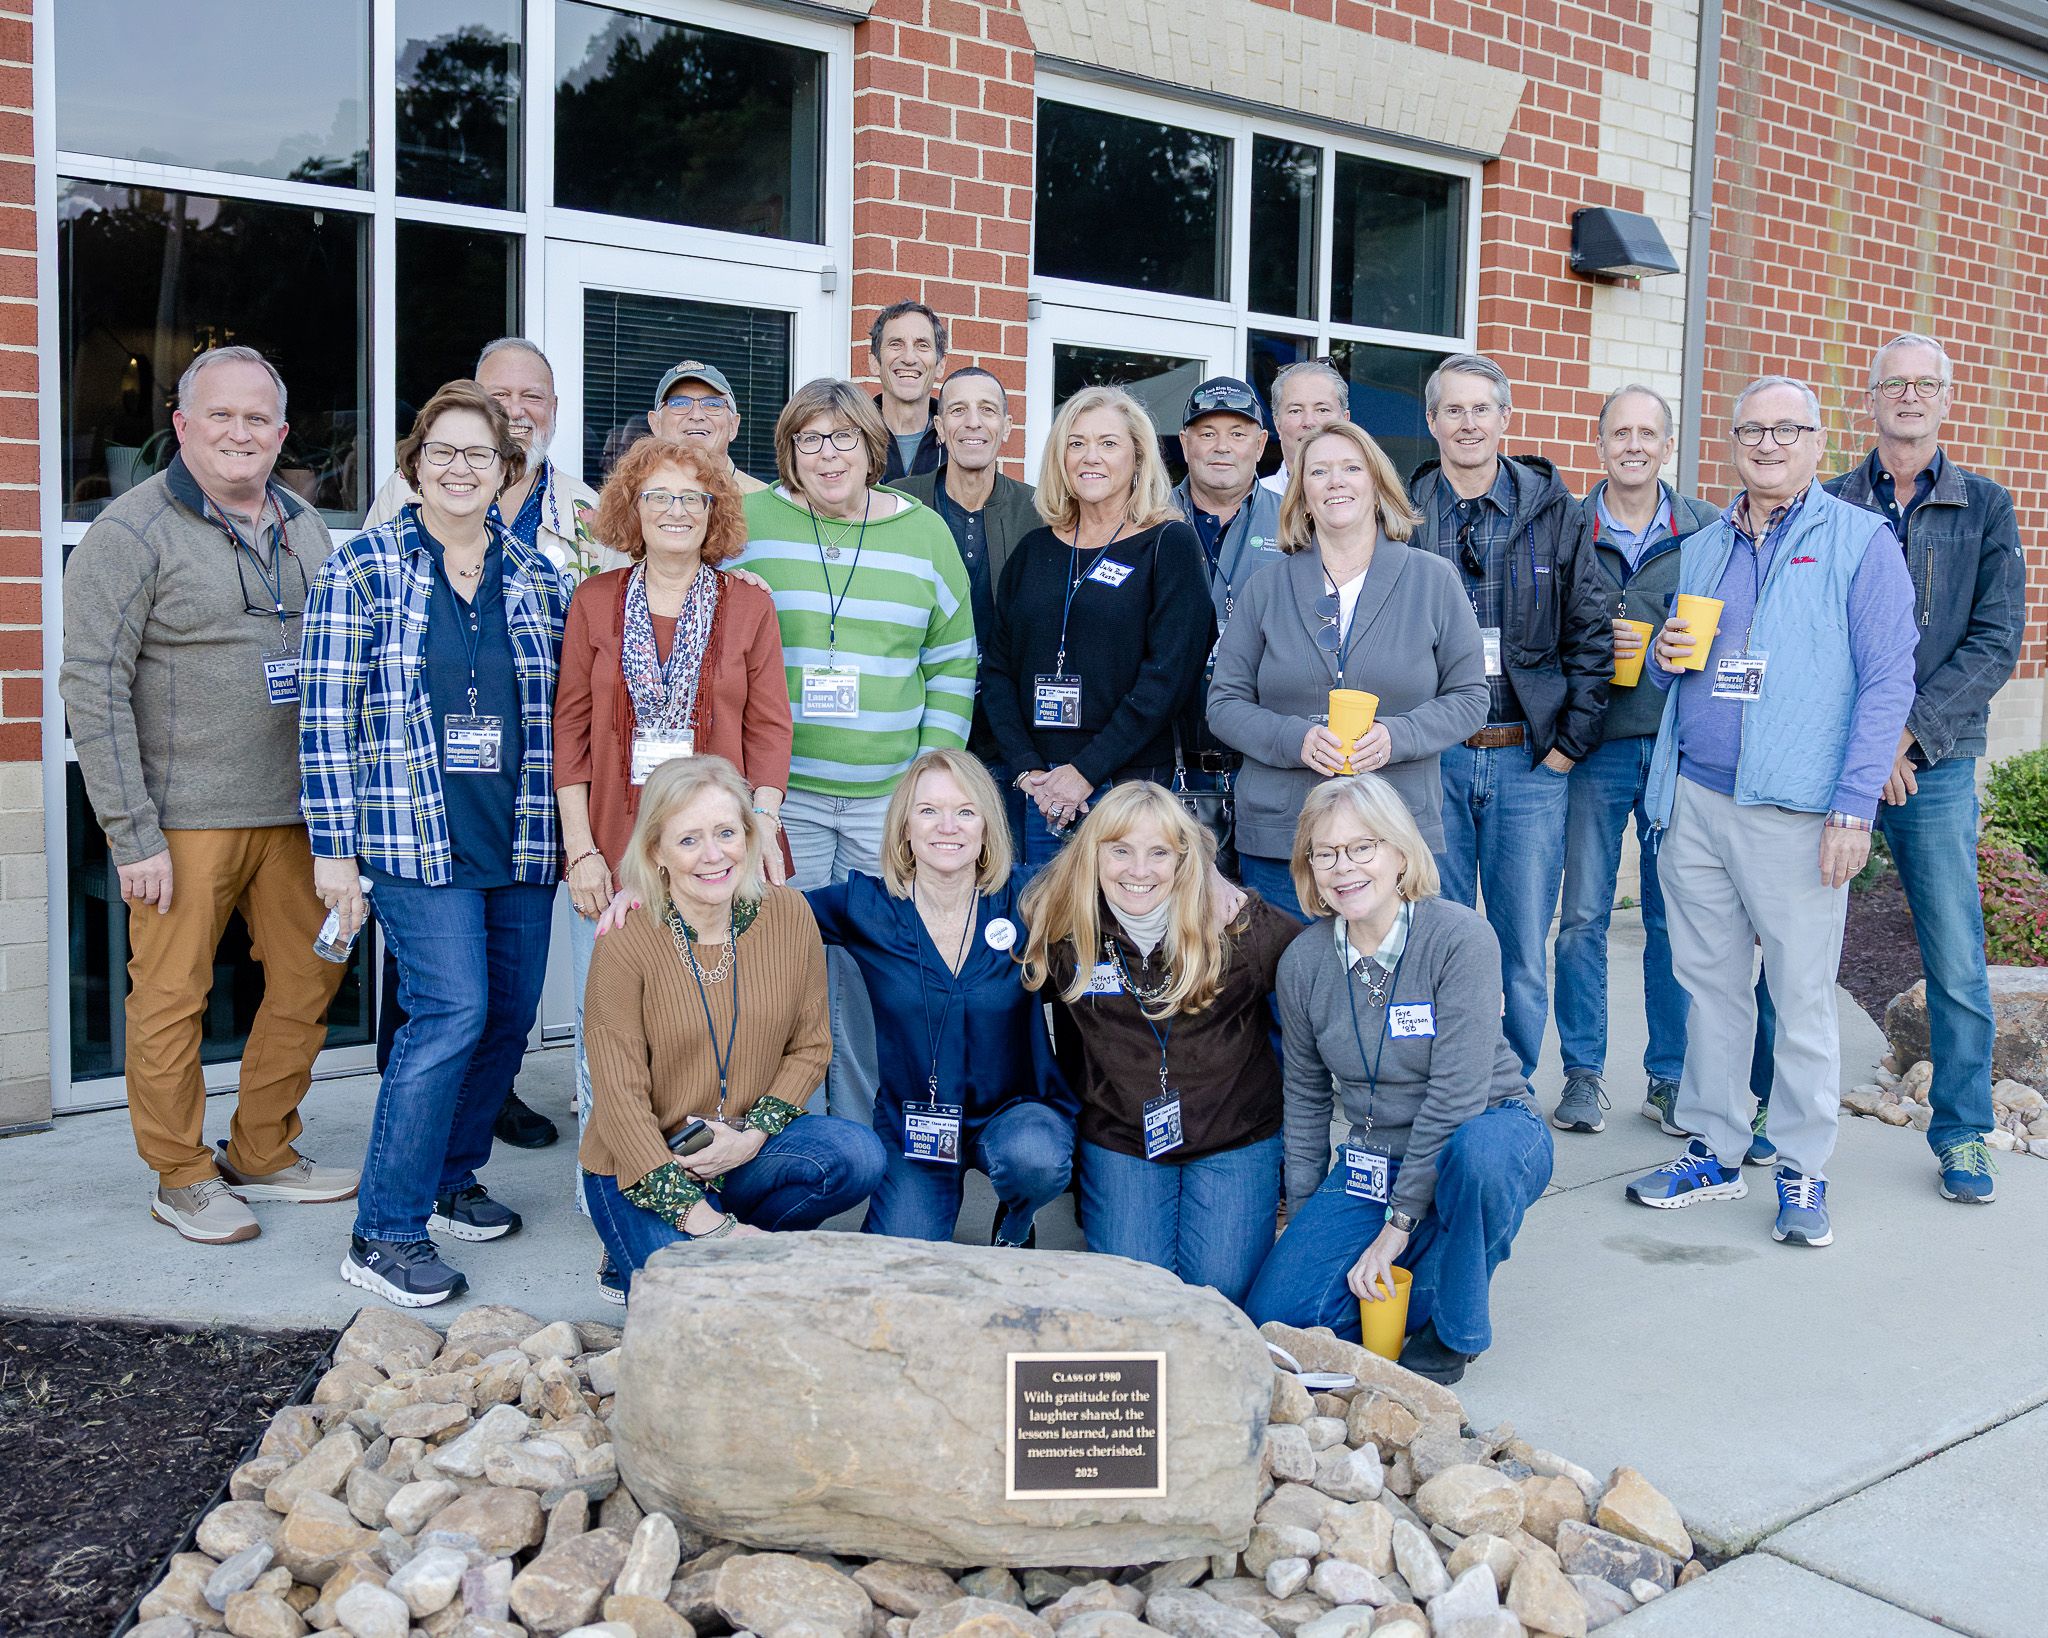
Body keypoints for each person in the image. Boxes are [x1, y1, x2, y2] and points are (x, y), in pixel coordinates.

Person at [59, 345, 358, 1245]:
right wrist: (130, 832)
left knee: (313, 973)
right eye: (219, 416)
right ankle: (181, 1174)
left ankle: (261, 1149)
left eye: (257, 418)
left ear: (280, 430)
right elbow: (92, 686)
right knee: (171, 1000)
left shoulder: (305, 523)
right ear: (182, 426)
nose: (241, 433)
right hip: (182, 821)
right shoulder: (131, 532)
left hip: (301, 812)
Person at [1625, 375, 1917, 1250]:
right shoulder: (1708, 542)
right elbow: (1687, 657)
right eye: (1752, 430)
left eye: (1787, 430)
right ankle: (1714, 1147)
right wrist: (1673, 654)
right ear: (1733, 444)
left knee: (1799, 998)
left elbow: (1886, 683)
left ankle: (1801, 1167)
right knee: (1710, 989)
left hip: (1796, 813)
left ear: (1817, 443)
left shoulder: (1861, 541)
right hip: (1700, 798)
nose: (1768, 444)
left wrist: (1853, 809)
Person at [301, 380, 573, 1306]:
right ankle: (383, 1230)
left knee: (506, 1017)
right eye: (443, 452)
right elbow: (327, 714)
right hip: (412, 841)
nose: (462, 470)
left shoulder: (540, 578)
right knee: (448, 1014)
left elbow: (566, 721)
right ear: (415, 466)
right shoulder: (365, 567)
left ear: (509, 473)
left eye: (481, 455)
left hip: (523, 838)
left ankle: (454, 1176)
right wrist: (334, 851)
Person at [1749, 336, 2024, 1205]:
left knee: (1954, 951)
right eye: (1892, 383)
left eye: (1925, 384)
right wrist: (1861, 754)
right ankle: (1767, 1108)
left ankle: (1964, 1133)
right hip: (1829, 764)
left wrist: (1902, 740)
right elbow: (1799, 636)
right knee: (1788, 946)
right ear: (1867, 401)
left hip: (1932, 765)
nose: (1908, 395)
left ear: (1946, 398)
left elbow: (1995, 641)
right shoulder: (1824, 500)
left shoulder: (1984, 505)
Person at [554, 435, 794, 1298]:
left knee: (721, 1017)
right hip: (618, 845)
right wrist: (581, 850)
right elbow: (571, 735)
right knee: (613, 1025)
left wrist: (760, 835)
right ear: (632, 508)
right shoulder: (594, 602)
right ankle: (620, 1183)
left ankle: (715, 1168)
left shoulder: (746, 606)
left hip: (724, 849)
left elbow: (770, 728)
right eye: (658, 496)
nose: (675, 512)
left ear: (715, 513)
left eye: (693, 498)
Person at [366, 336, 617, 1147]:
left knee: (499, 994)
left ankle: (483, 1106)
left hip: (522, 787)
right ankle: (415, 1123)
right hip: (423, 796)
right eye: (499, 395)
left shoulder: (587, 512)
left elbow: (617, 613)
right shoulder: (399, 502)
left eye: (532, 397)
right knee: (441, 993)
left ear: (553, 410)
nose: (517, 411)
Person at [1243, 775, 1553, 1386]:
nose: (1343, 868)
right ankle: (1442, 1257)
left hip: (1486, 1128)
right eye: (1325, 853)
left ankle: (1454, 1329)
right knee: (1283, 1320)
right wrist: (1309, 1226)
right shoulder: (1303, 963)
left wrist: (1394, 1231)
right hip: (1374, 1158)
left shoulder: (1459, 938)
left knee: (1480, 1162)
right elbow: (1304, 1104)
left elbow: (1457, 1098)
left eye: (1363, 847)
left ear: (1401, 853)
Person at [735, 379, 976, 1128]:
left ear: (872, 447)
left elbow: (953, 659)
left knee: (881, 975)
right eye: (810, 439)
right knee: (783, 969)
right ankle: (793, 1132)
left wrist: (927, 781)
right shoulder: (749, 523)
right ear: (789, 451)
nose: (827, 454)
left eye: (843, 438)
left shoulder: (925, 532)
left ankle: (873, 1127)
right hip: (785, 797)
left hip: (885, 799)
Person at [578, 756, 886, 1290]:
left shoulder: (789, 915)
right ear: (656, 853)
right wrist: (709, 1226)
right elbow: (620, 1104)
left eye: (727, 832)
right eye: (689, 840)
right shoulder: (625, 944)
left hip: (741, 1148)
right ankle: (652, 1243)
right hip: (643, 1167)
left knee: (856, 1154)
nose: (714, 855)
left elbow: (811, 1047)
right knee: (688, 1304)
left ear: (749, 835)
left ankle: (740, 1246)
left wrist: (751, 1137)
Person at [1407, 353, 1610, 1081]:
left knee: (1523, 943)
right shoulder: (1398, 513)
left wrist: (1568, 745)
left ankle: (1513, 1085)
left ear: (1504, 419)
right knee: (1437, 934)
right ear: (1431, 421)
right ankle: (1447, 1083)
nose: (1467, 423)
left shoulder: (1555, 513)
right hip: (1433, 759)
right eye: (1452, 410)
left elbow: (1591, 630)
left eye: (1481, 409)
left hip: (1529, 759)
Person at [1018, 782, 1298, 1306]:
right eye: (1120, 850)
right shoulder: (1062, 928)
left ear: (1183, 859)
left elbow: (1327, 966)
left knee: (1220, 1293)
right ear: (1092, 853)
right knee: (1137, 1296)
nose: (1138, 870)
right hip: (1123, 1138)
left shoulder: (1239, 927)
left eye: (1159, 853)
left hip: (1234, 1138)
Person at [1211, 423, 1487, 921]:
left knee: (1386, 987)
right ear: (1302, 493)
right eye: (1318, 471)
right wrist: (1293, 738)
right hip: (1282, 836)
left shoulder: (1433, 580)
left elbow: (1469, 697)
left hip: (1394, 831)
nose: (1335, 481)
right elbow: (1224, 704)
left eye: (1351, 468)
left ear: (1377, 485)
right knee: (1284, 990)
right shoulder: (1264, 588)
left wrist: (1397, 735)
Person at [807, 749, 1078, 1245]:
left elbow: (1124, 879)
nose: (947, 826)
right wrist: (657, 892)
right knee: (898, 1266)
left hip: (1015, 1113)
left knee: (1035, 1159)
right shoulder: (865, 906)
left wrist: (1210, 882)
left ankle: (1016, 1225)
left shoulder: (1028, 895)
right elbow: (767, 913)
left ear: (986, 828)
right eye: (928, 810)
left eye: (965, 812)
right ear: (905, 826)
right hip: (916, 1123)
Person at [1550, 386, 1721, 1137]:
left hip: (1675, 748)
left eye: (1648, 433)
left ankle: (1670, 1076)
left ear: (1667, 444)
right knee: (1583, 914)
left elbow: (1732, 634)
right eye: (1621, 432)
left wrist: (1679, 655)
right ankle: (1583, 1074)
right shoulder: (1563, 525)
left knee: (1669, 916)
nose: (1634, 445)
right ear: (1600, 443)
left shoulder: (1706, 530)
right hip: (1591, 746)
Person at [981, 386, 1215, 872]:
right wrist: (1028, 768)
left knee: (1121, 936)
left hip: (1127, 792)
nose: (1091, 457)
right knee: (1041, 936)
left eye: (1108, 443)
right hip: (1035, 792)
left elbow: (1168, 678)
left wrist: (1085, 772)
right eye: (1076, 442)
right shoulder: (1033, 550)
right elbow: (998, 669)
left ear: (1137, 457)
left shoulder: (1168, 545)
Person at [893, 367, 1040, 828]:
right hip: (914, 733)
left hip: (1011, 741)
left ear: (1007, 428)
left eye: (987, 410)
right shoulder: (897, 504)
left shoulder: (1042, 512)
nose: (973, 422)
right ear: (938, 426)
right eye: (957, 410)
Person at [645, 360, 768, 495]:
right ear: (656, 424)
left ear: (733, 426)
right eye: (680, 403)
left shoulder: (766, 504)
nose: (696, 415)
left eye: (713, 404)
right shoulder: (632, 498)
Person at [871, 300, 947, 482]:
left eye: (922, 345)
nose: (909, 358)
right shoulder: (851, 436)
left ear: (940, 365)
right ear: (874, 362)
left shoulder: (957, 440)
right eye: (896, 344)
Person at [1259, 360, 1350, 497]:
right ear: (1277, 425)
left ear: (1345, 420)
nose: (1309, 422)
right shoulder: (1252, 503)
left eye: (1322, 410)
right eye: (1295, 411)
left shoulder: (1370, 498)